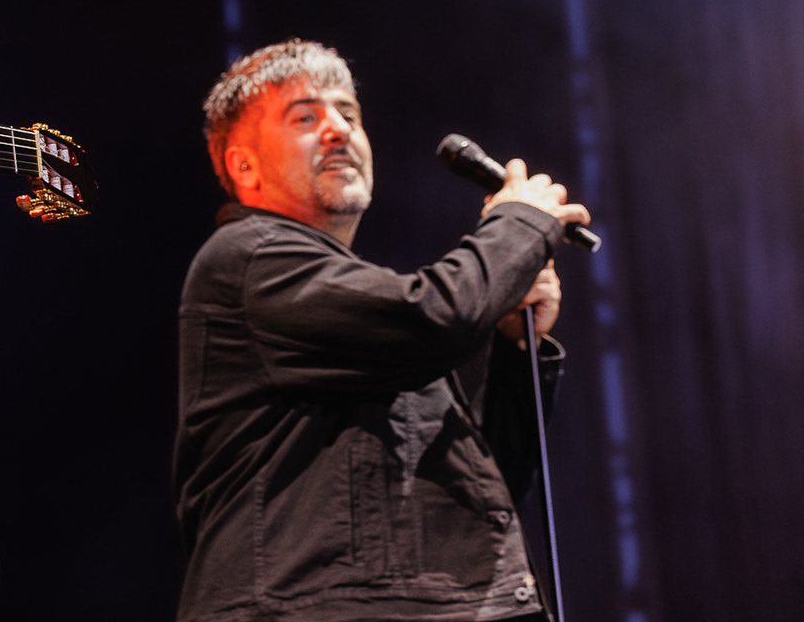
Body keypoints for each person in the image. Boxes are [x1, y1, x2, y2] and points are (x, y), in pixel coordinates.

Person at [174, 40, 589, 621]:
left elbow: (477, 493)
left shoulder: (357, 312)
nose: (338, 130)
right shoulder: (248, 260)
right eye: (305, 118)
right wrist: (519, 224)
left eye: (349, 113)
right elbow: (434, 318)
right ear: (245, 165)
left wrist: (517, 348)